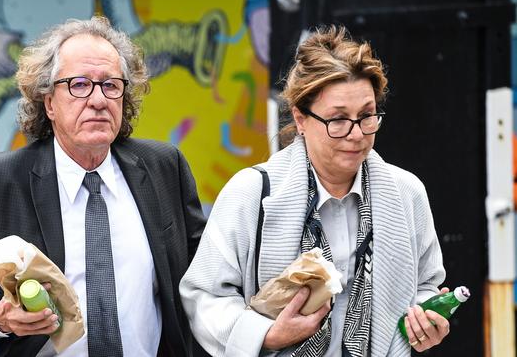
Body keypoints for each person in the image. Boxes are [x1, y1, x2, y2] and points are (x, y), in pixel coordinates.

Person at [0, 16, 206, 357]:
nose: (98, 100)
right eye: (79, 85)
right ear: (48, 103)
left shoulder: (165, 167)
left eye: (110, 85)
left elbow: (203, 278)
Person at [179, 26, 449, 356]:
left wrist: (425, 321)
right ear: (300, 119)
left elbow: (426, 284)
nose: (356, 134)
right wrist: (267, 335)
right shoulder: (250, 193)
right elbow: (204, 295)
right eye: (337, 119)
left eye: (366, 116)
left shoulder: (407, 193)